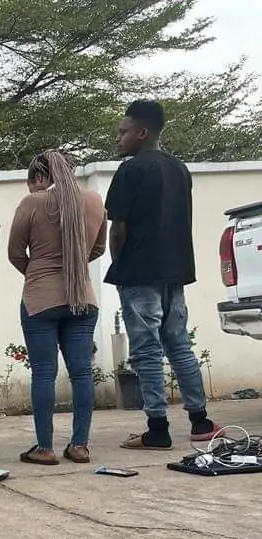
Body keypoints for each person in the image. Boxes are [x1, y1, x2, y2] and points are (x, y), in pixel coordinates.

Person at [105, 100, 222, 449]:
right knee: (179, 344)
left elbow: (118, 227)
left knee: (146, 351)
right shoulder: (179, 169)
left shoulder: (130, 171)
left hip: (139, 272)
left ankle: (157, 428)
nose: (119, 138)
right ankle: (200, 421)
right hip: (175, 271)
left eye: (124, 131)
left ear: (143, 132)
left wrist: (119, 263)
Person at [8, 149, 107, 465]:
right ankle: (80, 445)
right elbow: (99, 248)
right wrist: (74, 266)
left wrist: (38, 274)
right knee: (82, 373)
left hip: (40, 302)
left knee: (43, 373)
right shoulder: (94, 201)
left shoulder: (32, 203)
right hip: (83, 298)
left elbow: (14, 253)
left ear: (39, 177)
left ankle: (45, 448)